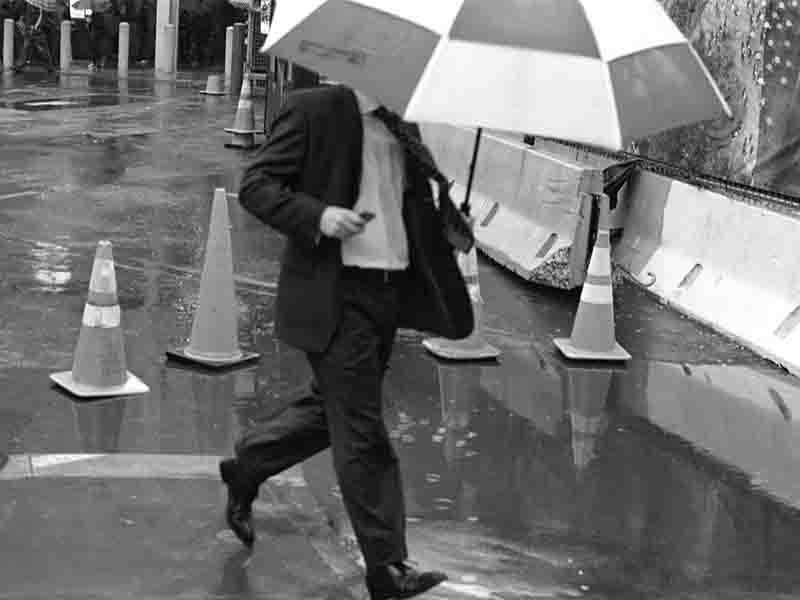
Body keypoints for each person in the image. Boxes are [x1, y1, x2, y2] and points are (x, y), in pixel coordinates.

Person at [220, 82, 474, 600]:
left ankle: (248, 462)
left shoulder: (399, 122)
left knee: (333, 411)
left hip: (388, 294)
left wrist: (448, 220)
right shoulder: (315, 109)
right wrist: (319, 216)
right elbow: (257, 186)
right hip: (337, 295)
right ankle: (387, 567)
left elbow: (405, 207)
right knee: (361, 429)